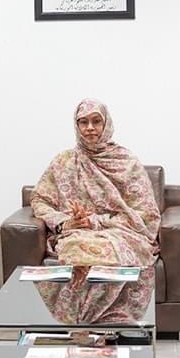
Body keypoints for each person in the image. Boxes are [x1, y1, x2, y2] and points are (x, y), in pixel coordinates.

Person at [31, 99, 160, 270]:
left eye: (96, 121)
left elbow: (146, 214)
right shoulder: (63, 162)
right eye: (83, 122)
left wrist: (96, 221)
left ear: (106, 124)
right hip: (78, 234)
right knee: (75, 248)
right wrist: (64, 222)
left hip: (122, 234)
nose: (90, 127)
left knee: (109, 252)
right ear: (77, 126)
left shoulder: (127, 162)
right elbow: (39, 200)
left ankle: (105, 285)